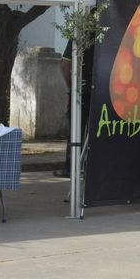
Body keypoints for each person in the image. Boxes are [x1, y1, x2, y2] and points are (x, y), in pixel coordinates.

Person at [54, 38, 94, 178]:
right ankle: (91, 167)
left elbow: (65, 65)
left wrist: (72, 86)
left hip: (80, 90)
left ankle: (70, 167)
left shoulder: (78, 35)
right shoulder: (108, 34)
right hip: (101, 90)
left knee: (76, 130)